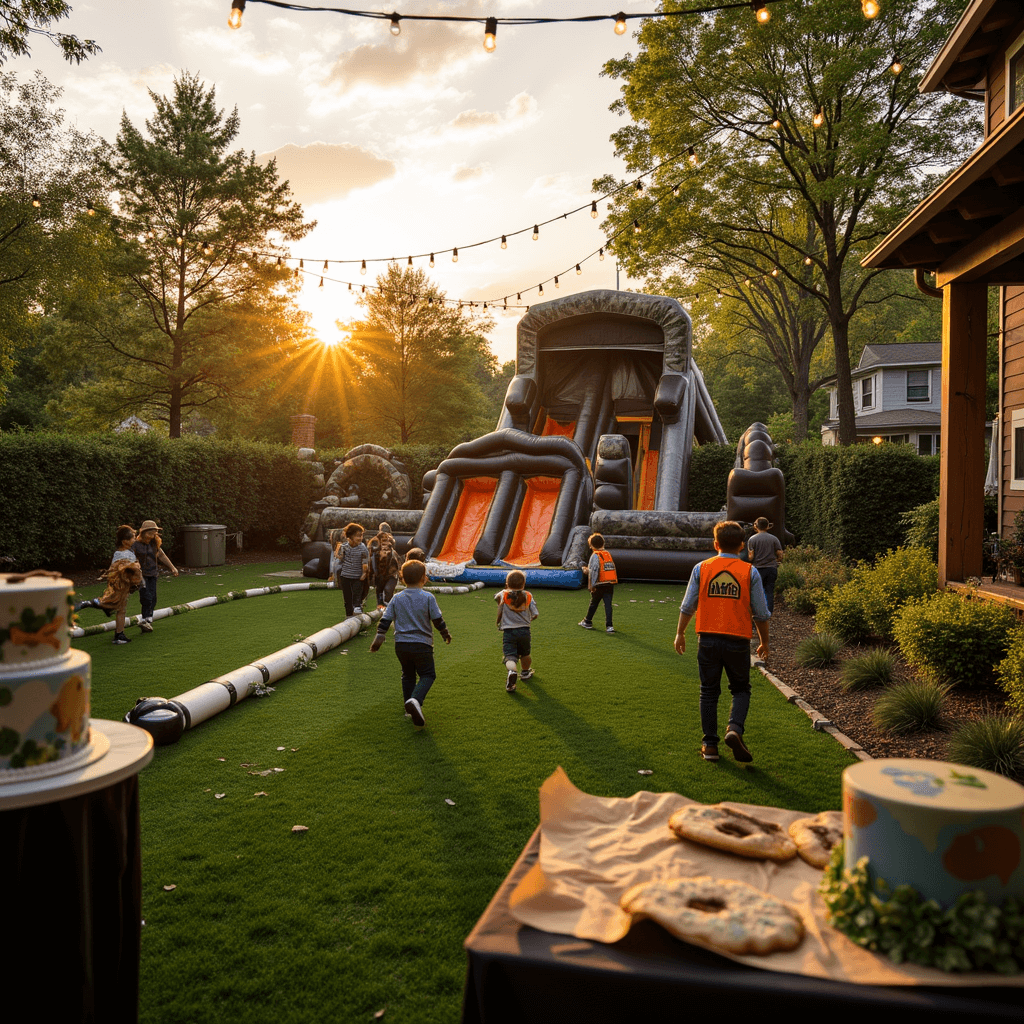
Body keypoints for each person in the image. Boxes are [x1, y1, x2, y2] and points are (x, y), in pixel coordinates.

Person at [674, 520, 770, 764]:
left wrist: (680, 633)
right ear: (741, 546)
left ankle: (709, 746)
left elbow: (688, 605)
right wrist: (764, 642)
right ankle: (735, 729)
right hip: (738, 640)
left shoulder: (701, 568)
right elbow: (761, 612)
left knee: (708, 691)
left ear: (715, 544)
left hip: (707, 638)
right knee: (740, 689)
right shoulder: (750, 572)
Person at [370, 559, 452, 727]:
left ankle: (409, 708)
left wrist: (380, 635)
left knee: (407, 675)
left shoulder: (397, 598)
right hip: (422, 644)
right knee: (428, 674)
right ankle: (416, 700)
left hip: (401, 645)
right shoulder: (428, 597)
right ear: (424, 578)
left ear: (402, 579)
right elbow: (437, 619)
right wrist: (445, 633)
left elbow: (386, 618)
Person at [75, 525, 142, 645]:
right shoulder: (126, 554)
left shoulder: (118, 553)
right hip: (122, 585)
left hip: (116, 584)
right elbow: (128, 571)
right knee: (121, 609)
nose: (135, 540)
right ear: (125, 541)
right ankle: (118, 634)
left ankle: (107, 613)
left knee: (117, 606)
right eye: (132, 538)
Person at [495, 569, 538, 693]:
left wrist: (498, 621)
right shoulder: (528, 595)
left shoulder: (503, 595)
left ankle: (512, 671)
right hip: (524, 631)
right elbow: (535, 614)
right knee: (525, 654)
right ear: (523, 584)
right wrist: (529, 619)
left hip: (509, 632)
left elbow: (498, 605)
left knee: (510, 656)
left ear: (507, 584)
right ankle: (525, 672)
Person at [132, 519, 178, 633]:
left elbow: (161, 555)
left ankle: (148, 619)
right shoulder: (136, 545)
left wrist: (172, 567)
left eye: (154, 533)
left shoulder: (154, 544)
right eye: (150, 533)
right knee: (146, 597)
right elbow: (132, 558)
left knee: (153, 598)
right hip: (141, 575)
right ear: (143, 533)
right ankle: (144, 619)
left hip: (153, 574)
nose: (152, 535)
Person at [578, 532, 617, 633]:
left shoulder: (595, 556)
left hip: (599, 584)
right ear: (603, 543)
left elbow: (594, 571)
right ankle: (609, 626)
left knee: (594, 603)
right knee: (608, 605)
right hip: (610, 583)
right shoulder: (607, 554)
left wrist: (591, 585)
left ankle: (587, 621)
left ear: (591, 545)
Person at [747, 517, 783, 614]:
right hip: (771, 568)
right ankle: (768, 613)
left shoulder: (752, 539)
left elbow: (751, 557)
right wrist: (777, 561)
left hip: (758, 569)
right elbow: (780, 554)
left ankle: (757, 613)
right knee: (769, 591)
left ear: (756, 526)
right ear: (767, 526)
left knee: (756, 592)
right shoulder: (774, 538)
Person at [333, 522, 369, 618]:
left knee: (357, 593)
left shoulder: (363, 548)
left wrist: (364, 573)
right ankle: (348, 614)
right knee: (347, 596)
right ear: (350, 536)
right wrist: (337, 552)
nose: (360, 538)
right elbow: (340, 558)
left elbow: (365, 561)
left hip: (357, 576)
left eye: (361, 535)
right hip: (345, 575)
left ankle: (357, 607)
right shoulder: (344, 547)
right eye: (358, 536)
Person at [372, 531, 401, 609]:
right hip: (379, 576)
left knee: (388, 590)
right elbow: (373, 564)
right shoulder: (375, 553)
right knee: (380, 594)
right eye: (383, 541)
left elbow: (398, 563)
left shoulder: (392, 552)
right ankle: (382, 610)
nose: (385, 543)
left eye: (387, 540)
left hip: (392, 575)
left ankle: (389, 607)